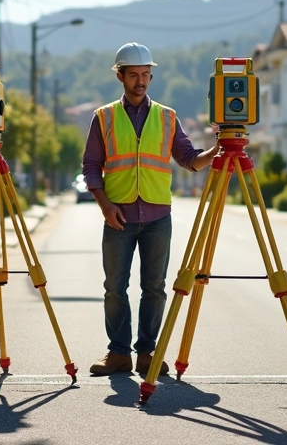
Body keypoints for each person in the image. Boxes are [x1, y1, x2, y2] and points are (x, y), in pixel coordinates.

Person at [82, 42, 220, 376]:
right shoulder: (104, 117)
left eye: (145, 75)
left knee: (154, 288)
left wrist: (218, 149)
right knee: (115, 288)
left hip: (158, 217)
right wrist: (104, 206)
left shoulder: (168, 117)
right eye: (134, 75)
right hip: (118, 217)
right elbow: (90, 167)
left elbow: (188, 159)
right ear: (121, 76)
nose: (140, 81)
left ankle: (147, 353)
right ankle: (118, 354)